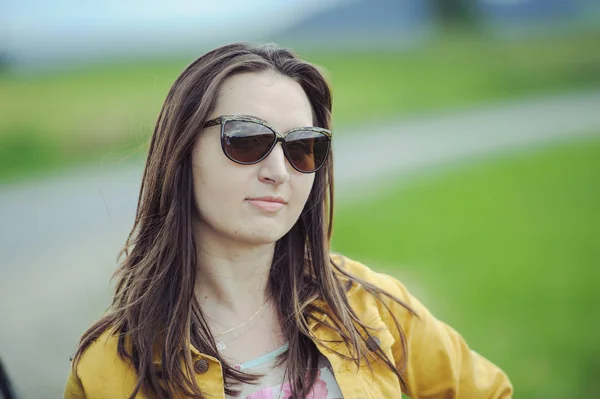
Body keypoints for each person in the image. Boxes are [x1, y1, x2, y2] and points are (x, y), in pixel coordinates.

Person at [63, 42, 513, 399]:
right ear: (181, 151)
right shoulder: (109, 366)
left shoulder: (370, 306)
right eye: (245, 139)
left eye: (302, 147)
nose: (278, 171)